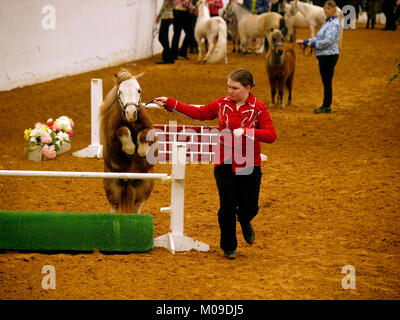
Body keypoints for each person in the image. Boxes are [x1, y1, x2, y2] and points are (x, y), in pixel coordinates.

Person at [153, 68, 276, 260]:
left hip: (250, 163)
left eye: (235, 88)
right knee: (226, 205)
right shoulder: (222, 104)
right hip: (224, 162)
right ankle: (229, 247)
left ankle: (244, 219)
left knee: (250, 206)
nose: (230, 91)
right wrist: (170, 103)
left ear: (248, 88)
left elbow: (271, 135)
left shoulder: (259, 109)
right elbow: (198, 112)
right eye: (228, 87)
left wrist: (247, 131)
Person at [296, 0, 341, 114]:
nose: (326, 10)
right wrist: (305, 41)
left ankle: (326, 106)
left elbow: (328, 41)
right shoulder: (327, 22)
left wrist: (314, 45)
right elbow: (318, 37)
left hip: (329, 55)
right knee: (326, 81)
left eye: (328, 8)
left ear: (334, 10)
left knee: (327, 82)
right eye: (325, 8)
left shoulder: (334, 24)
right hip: (324, 55)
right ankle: (326, 105)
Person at [155, 0, 175, 64]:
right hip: (171, 16)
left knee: (161, 37)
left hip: (165, 17)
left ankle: (167, 57)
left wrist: (158, 16)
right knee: (165, 38)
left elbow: (163, 7)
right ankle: (170, 58)